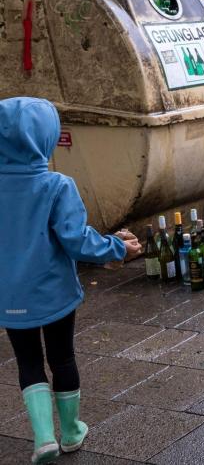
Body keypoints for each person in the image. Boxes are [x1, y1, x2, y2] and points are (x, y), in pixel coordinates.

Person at [0, 97, 141, 464]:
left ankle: (43, 438)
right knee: (62, 358)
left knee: (27, 362)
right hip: (53, 291)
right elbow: (76, 240)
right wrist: (116, 248)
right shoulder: (57, 185)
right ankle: (72, 431)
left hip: (9, 294)